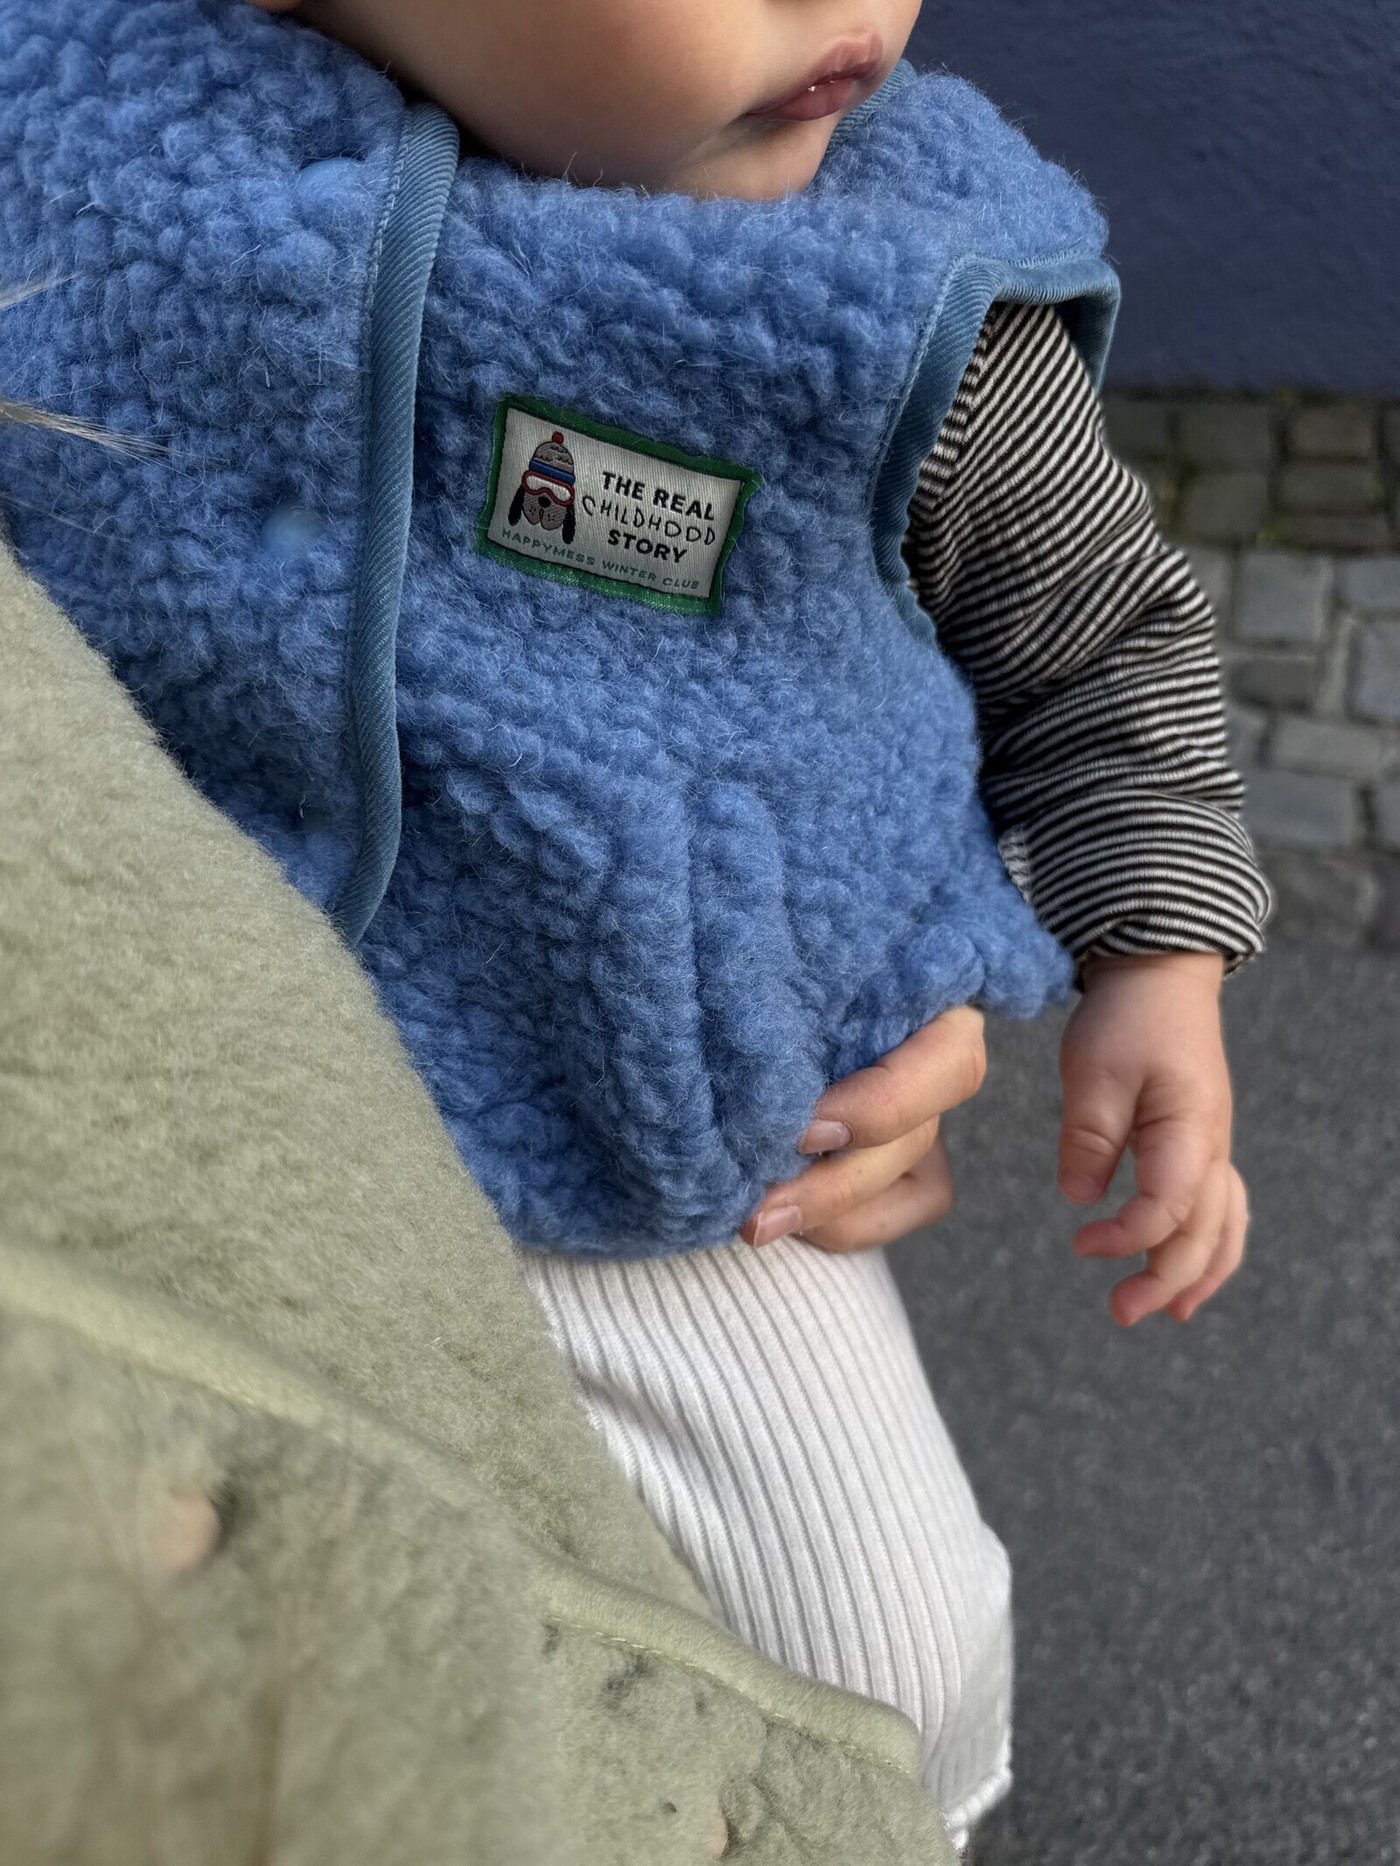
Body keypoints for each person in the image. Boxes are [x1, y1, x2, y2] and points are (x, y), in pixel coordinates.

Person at [0, 2, 1273, 1854]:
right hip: (165, 1087)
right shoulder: (70, 139)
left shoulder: (895, 305)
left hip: (646, 1148)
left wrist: (1157, 956)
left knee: (885, 1656)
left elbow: (1097, 644)